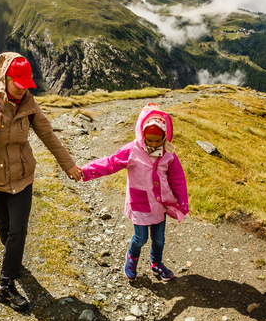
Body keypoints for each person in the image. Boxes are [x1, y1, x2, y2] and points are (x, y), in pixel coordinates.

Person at [0, 52, 83, 312]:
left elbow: (48, 135)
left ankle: (4, 285)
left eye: (26, 84)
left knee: (18, 230)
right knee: (5, 226)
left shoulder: (29, 103)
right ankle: (13, 260)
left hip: (22, 177)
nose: (22, 89)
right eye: (18, 84)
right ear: (5, 79)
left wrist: (69, 165)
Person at [80, 102, 189, 281]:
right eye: (149, 139)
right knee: (140, 238)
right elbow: (110, 163)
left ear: (164, 137)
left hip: (160, 205)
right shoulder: (132, 150)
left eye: (157, 140)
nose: (153, 144)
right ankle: (131, 259)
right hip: (140, 204)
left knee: (159, 239)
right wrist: (86, 171)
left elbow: (177, 178)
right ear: (143, 134)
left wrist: (181, 200)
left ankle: (156, 263)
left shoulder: (169, 154)